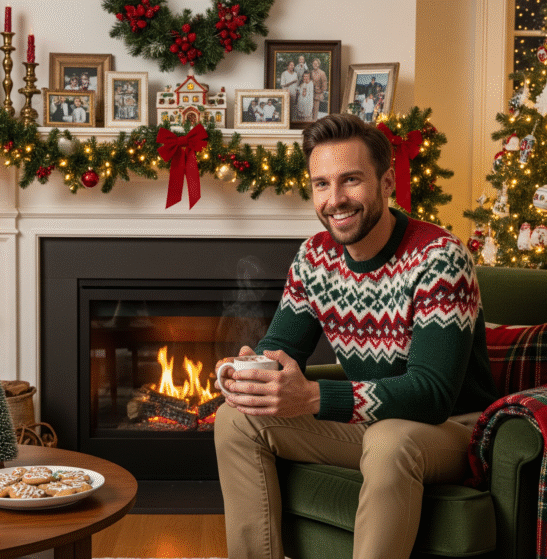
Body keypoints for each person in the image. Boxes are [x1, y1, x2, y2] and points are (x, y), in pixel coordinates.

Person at [213, 113, 498, 559]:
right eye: (321, 184)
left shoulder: (440, 258)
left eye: (351, 180)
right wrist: (245, 373)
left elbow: (432, 393)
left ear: (387, 182)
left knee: (390, 439)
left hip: (454, 430)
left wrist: (312, 397)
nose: (335, 199)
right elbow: (279, 348)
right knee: (237, 419)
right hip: (372, 424)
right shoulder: (314, 257)